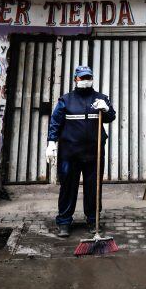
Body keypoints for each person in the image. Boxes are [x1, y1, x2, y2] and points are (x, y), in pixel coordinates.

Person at [47, 65, 116, 237]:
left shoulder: (101, 98)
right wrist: (51, 142)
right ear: (75, 80)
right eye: (82, 78)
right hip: (70, 153)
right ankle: (63, 222)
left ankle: (93, 220)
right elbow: (55, 122)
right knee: (68, 187)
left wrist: (106, 109)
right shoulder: (66, 100)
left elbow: (111, 117)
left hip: (94, 152)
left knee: (93, 187)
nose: (85, 81)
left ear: (92, 79)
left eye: (88, 77)